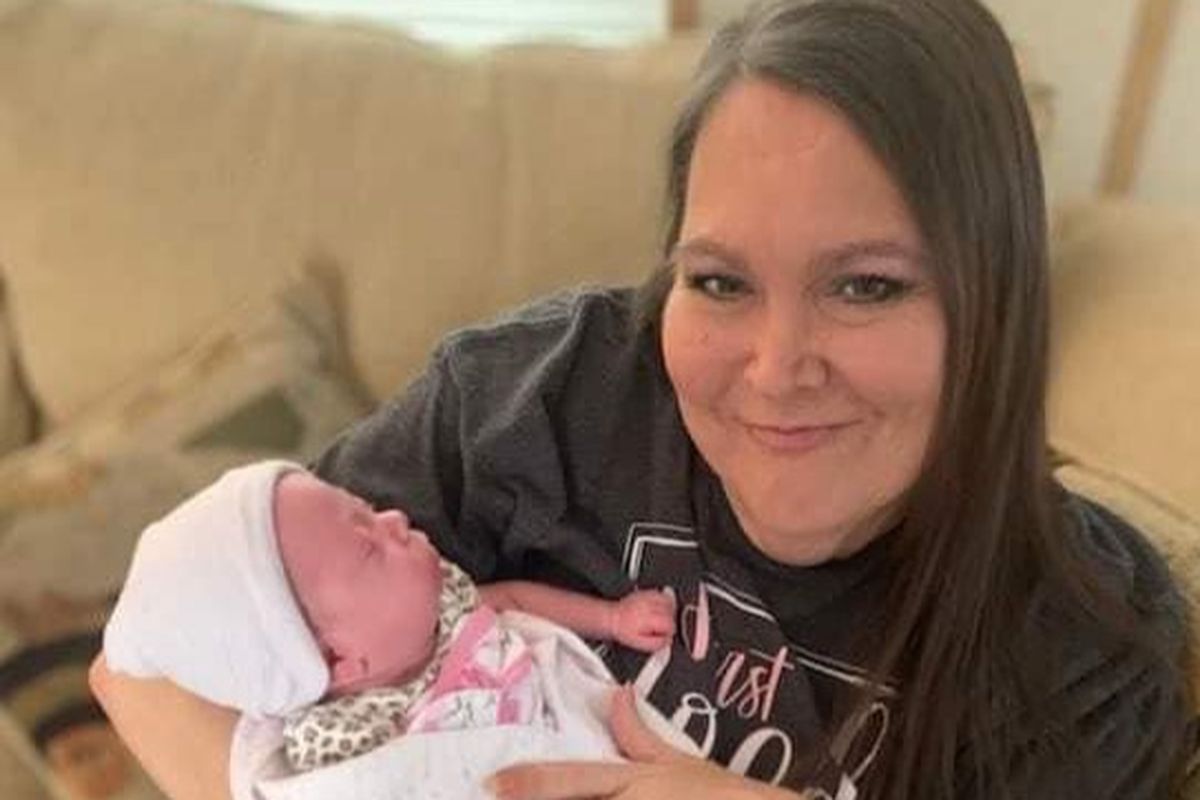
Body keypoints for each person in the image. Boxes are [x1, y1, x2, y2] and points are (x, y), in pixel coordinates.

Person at [91, 0, 1196, 798]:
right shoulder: (532, 397)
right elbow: (145, 669)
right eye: (719, 281)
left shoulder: (1086, 648)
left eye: (866, 285)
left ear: (996, 299)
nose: (776, 368)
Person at [102, 460, 677, 778]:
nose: (396, 519)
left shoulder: (446, 606)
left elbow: (512, 603)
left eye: (369, 511)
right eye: (369, 547)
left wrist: (611, 617)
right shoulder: (347, 756)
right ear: (338, 660)